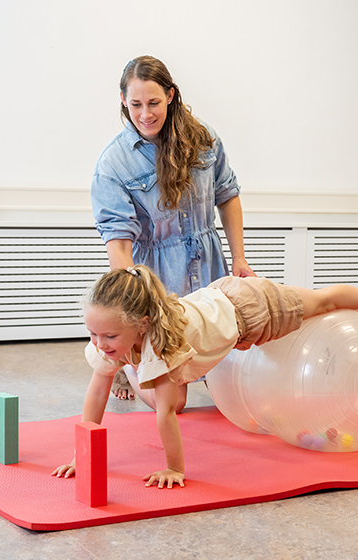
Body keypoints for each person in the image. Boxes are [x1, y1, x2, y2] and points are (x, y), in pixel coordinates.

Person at [52, 265, 358, 488]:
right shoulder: (111, 341)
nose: (99, 344)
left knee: (324, 303)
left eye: (109, 337)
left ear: (142, 325)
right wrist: (79, 454)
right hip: (220, 302)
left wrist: (174, 468)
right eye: (93, 334)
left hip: (249, 310)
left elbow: (164, 413)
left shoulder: (161, 345)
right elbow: (98, 391)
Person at [91, 55, 257, 400]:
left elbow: (228, 195)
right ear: (123, 100)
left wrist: (239, 258)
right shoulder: (113, 163)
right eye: (135, 104)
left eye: (153, 102)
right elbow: (119, 244)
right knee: (174, 401)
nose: (145, 114)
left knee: (229, 382)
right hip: (157, 278)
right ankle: (128, 365)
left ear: (170, 95)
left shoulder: (204, 138)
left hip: (208, 267)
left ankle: (158, 365)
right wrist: (132, 308)